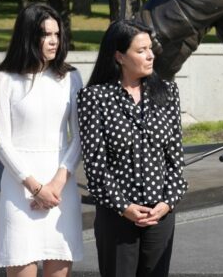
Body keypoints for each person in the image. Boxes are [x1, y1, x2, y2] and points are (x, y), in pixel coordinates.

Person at [78, 20, 188, 277]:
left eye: (150, 48)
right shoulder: (94, 98)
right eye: (141, 50)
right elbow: (95, 165)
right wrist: (124, 206)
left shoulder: (168, 92)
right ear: (119, 56)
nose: (150, 55)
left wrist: (167, 202)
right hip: (117, 218)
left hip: (160, 215)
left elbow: (175, 159)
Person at [0, 3, 84, 276]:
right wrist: (34, 187)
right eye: (45, 34)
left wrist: (55, 185)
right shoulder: (4, 80)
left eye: (57, 33)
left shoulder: (70, 77)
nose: (54, 40)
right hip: (19, 190)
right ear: (29, 36)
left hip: (60, 189)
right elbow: (1, 141)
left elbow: (78, 137)